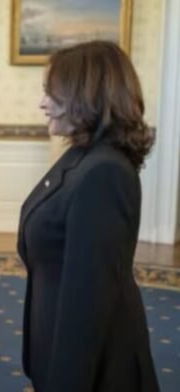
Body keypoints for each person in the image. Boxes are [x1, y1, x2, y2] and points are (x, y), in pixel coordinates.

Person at [18, 41, 159, 391]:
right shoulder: (83, 157)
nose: (42, 103)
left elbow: (88, 303)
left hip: (95, 369)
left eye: (52, 93)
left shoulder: (103, 173)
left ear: (86, 96)